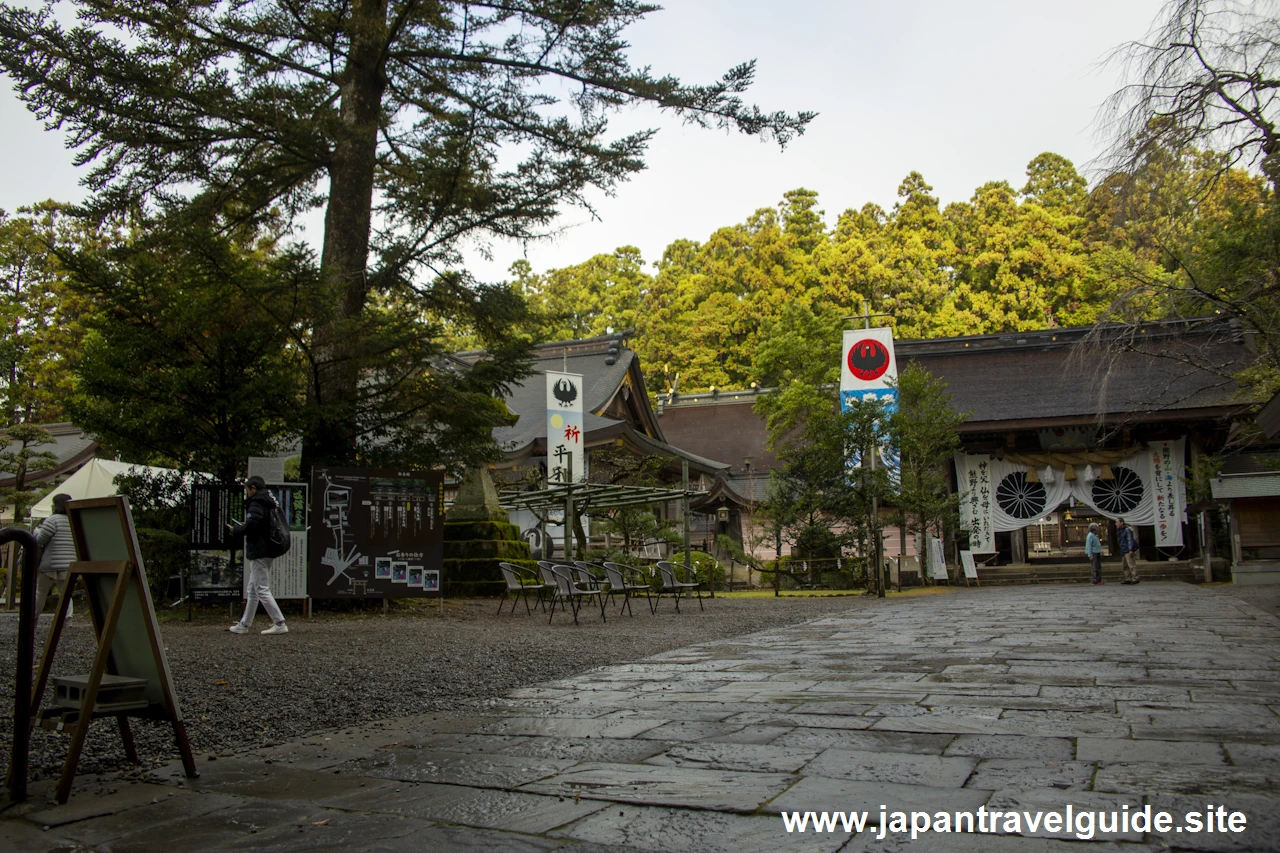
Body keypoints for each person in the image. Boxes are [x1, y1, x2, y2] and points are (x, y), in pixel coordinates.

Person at [227, 476, 288, 635]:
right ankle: (244, 624)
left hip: (259, 549)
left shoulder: (256, 502)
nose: (247, 493)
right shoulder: (269, 500)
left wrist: (236, 530)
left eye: (247, 490)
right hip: (269, 548)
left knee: (261, 588)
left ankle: (279, 622)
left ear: (253, 488)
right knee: (252, 588)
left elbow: (252, 526)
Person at [32, 493, 77, 615]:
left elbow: (40, 540)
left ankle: (32, 618)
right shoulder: (75, 521)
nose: (51, 506)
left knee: (40, 593)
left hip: (50, 564)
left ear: (56, 505)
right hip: (69, 564)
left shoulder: (52, 520)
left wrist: (36, 532)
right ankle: (67, 620)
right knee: (66, 594)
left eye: (53, 503)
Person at [1117, 518, 1140, 585]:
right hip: (1123, 549)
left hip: (1127, 549)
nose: (1116, 524)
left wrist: (1130, 549)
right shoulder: (1119, 530)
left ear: (1121, 522)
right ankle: (1128, 578)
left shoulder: (1127, 530)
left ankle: (1135, 578)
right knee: (1125, 565)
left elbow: (1129, 540)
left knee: (1131, 565)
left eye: (1117, 522)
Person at [1085, 521, 1104, 586]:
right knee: (1095, 567)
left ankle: (1098, 580)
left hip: (1097, 552)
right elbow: (1089, 545)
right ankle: (1094, 580)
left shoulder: (1095, 535)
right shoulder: (1090, 536)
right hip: (1094, 553)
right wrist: (1090, 554)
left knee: (1098, 567)